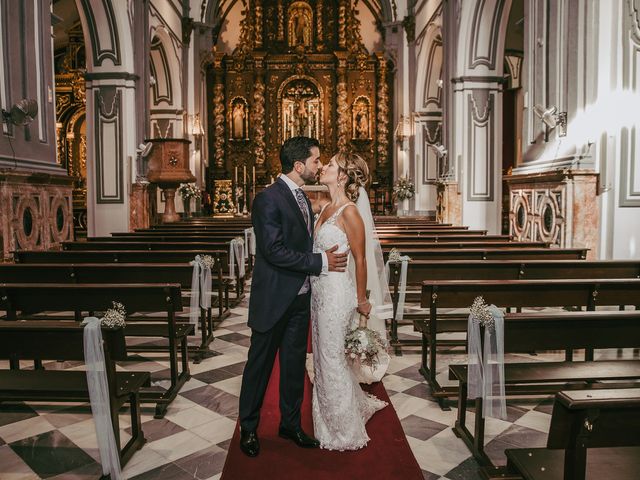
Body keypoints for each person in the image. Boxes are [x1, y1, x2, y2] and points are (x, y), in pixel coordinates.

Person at [238, 136, 348, 457]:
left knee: (293, 366)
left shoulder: (300, 196)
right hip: (273, 299)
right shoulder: (267, 199)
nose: (319, 165)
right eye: (316, 161)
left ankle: (290, 424)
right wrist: (320, 262)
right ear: (299, 166)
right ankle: (248, 427)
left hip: (300, 301)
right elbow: (273, 251)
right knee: (259, 367)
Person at [310, 152, 389, 450]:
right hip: (318, 295)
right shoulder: (327, 207)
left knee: (332, 359)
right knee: (321, 357)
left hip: (336, 297)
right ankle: (328, 415)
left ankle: (343, 429)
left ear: (342, 176)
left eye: (330, 165)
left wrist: (361, 302)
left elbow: (361, 260)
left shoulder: (350, 212)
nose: (324, 167)